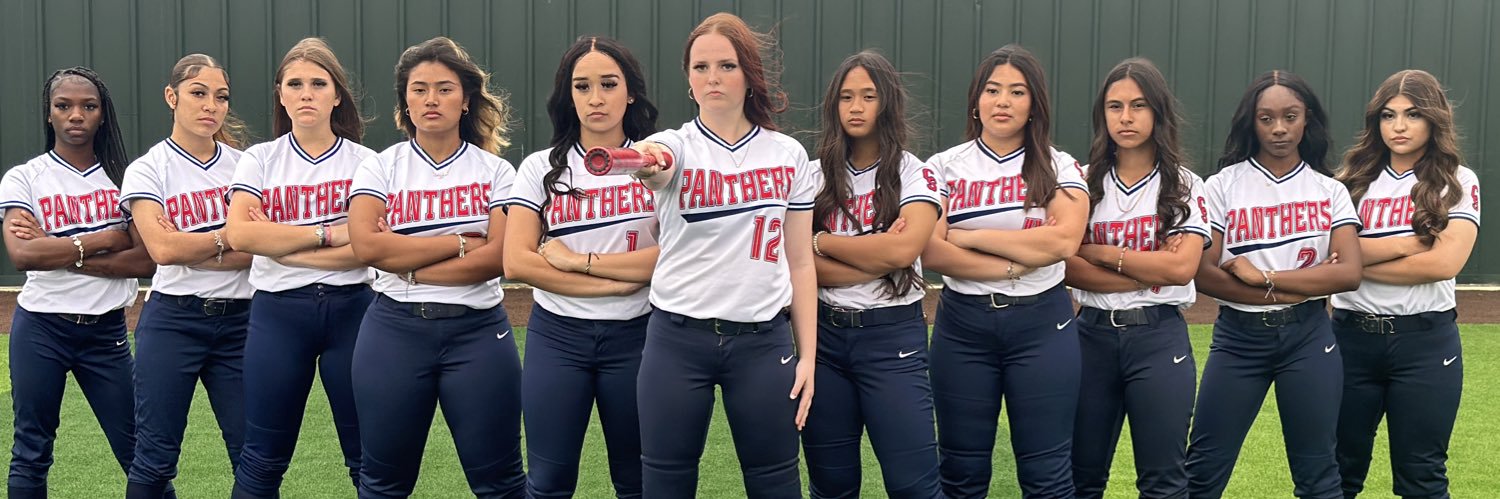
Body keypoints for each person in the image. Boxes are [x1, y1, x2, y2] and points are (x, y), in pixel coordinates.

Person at [626, 12, 818, 498]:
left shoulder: (787, 154)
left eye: (727, 66)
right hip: (676, 341)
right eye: (701, 67)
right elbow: (656, 161)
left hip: (761, 341)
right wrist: (647, 162)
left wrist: (808, 358)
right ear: (688, 79)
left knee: (776, 482)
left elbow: (800, 261)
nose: (713, 77)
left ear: (749, 75)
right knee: (665, 483)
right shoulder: (676, 145)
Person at [345, 35, 524, 499]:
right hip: (394, 331)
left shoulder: (497, 172)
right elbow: (366, 245)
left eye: (444, 88)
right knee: (383, 484)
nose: (431, 99)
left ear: (466, 99)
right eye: (419, 88)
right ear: (405, 99)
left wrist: (405, 261)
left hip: (478, 333)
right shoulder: (380, 168)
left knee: (501, 484)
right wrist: (461, 242)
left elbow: (499, 257)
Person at [921, 44, 1090, 499]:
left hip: (1042, 325)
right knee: (960, 470)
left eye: (1017, 92)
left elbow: (1062, 242)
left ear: (1035, 103)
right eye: (992, 90)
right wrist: (1019, 261)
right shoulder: (943, 167)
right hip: (962, 326)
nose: (1003, 101)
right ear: (976, 100)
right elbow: (933, 253)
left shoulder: (1057, 164)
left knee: (1047, 473)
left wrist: (969, 236)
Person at [1184, 70, 1363, 499]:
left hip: (1308, 337)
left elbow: (1348, 274)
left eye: (1290, 116)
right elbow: (1204, 273)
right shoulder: (1222, 185)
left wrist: (1268, 278)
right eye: (1266, 118)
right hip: (1238, 339)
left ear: (1308, 120)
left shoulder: (1330, 190)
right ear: (1252, 122)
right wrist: (1302, 285)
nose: (1279, 128)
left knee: (1319, 471)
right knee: (1203, 468)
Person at [500, 35, 660, 499]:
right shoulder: (539, 168)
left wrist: (579, 262)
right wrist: (612, 284)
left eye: (609, 84)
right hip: (558, 337)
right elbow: (518, 260)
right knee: (548, 483)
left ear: (630, 92)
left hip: (639, 336)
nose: (596, 98)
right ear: (567, 96)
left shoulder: (657, 165)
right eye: (582, 86)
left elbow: (670, 259)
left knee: (637, 481)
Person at [223, 37, 376, 498]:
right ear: (280, 94)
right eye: (295, 83)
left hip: (354, 311)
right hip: (277, 314)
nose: (306, 92)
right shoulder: (260, 158)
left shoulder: (366, 162)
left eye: (318, 83)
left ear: (337, 95)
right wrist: (327, 233)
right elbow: (242, 236)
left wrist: (281, 243)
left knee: (366, 455)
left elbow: (368, 248)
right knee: (262, 458)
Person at [2, 66, 157, 499]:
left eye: (88, 106)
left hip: (106, 332)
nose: (75, 115)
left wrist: (61, 250)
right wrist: (106, 238)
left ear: (102, 115)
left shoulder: (128, 178)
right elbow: (24, 254)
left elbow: (145, 258)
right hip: (41, 330)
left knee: (142, 453)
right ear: (48, 114)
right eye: (63, 105)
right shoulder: (24, 177)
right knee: (31, 450)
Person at [799, 49, 943, 499]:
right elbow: (794, 263)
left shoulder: (914, 172)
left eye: (867, 96)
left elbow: (903, 250)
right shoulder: (811, 175)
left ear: (888, 104)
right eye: (846, 97)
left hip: (892, 341)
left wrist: (820, 244)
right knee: (832, 484)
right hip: (824, 340)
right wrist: (874, 255)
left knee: (914, 484)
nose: (856, 107)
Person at [1331, 69, 1480, 499]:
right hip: (1349, 341)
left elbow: (1444, 263)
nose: (1398, 126)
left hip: (1425, 344)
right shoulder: (1349, 182)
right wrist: (1411, 243)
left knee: (1422, 476)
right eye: (1388, 115)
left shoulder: (1457, 181)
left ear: (1434, 119)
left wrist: (1354, 261)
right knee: (1338, 471)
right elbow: (1330, 256)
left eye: (1412, 114)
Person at [1064, 57, 1208, 499]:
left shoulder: (1184, 185)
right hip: (1090, 338)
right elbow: (1065, 264)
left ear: (1158, 113)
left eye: (1139, 105)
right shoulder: (1080, 183)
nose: (1125, 117)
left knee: (1164, 481)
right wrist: (1148, 268)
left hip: (1158, 338)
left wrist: (1101, 252)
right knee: (1080, 477)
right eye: (1114, 106)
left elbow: (1181, 268)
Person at [120, 53, 254, 499]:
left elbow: (261, 252)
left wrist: (196, 245)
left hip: (242, 322)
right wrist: (228, 237)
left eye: (220, 97)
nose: (210, 106)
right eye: (198, 94)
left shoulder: (247, 166)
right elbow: (162, 249)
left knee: (253, 455)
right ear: (171, 96)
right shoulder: (148, 167)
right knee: (155, 458)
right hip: (173, 320)